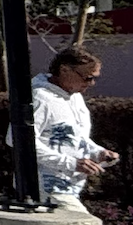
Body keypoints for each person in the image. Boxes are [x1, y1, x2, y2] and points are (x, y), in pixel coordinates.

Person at [32, 46, 115, 210]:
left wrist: (97, 152)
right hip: (46, 186)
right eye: (87, 78)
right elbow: (20, 141)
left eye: (94, 78)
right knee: (84, 224)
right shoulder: (40, 98)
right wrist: (70, 163)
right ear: (64, 70)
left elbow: (76, 138)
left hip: (71, 187)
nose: (91, 83)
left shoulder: (75, 97)